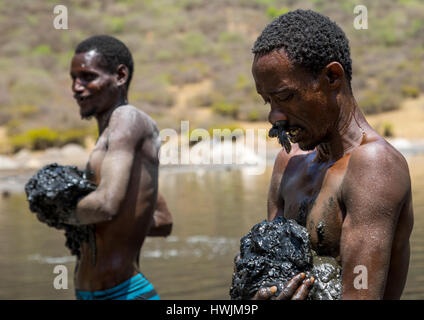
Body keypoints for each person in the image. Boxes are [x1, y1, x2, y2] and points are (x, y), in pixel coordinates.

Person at [249, 10, 413, 300]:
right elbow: (268, 271)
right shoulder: (288, 163)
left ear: (332, 77)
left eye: (285, 97)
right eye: (268, 101)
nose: (275, 117)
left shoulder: (373, 166)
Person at [65, 35, 173, 300]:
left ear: (120, 75)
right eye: (73, 78)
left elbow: (107, 204)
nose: (76, 87)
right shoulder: (107, 141)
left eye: (87, 77)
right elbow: (162, 220)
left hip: (123, 293)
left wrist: (59, 210)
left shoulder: (127, 118)